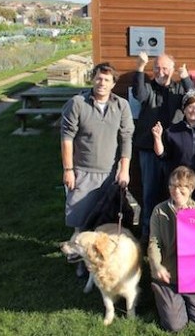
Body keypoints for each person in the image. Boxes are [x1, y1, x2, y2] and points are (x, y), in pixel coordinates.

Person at [61, 62, 134, 276]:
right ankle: (79, 261)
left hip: (110, 174)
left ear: (113, 84)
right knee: (80, 220)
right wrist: (68, 169)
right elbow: (66, 138)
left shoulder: (121, 106)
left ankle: (99, 261)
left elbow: (126, 138)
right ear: (93, 79)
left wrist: (124, 168)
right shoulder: (77, 103)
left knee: (104, 221)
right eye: (99, 78)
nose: (102, 83)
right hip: (82, 172)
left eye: (107, 80)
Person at [132, 51, 194, 242]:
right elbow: (139, 94)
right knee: (149, 192)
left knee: (175, 192)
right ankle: (147, 233)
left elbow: (194, 97)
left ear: (173, 70)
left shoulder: (178, 90)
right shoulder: (148, 88)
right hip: (149, 149)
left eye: (165, 68)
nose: (161, 71)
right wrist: (140, 67)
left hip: (173, 151)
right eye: (157, 68)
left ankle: (174, 234)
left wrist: (185, 77)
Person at [148, 166, 195, 332]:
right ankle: (161, 293)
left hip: (193, 276)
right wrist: (157, 266)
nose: (176, 190)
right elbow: (154, 243)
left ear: (191, 188)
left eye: (181, 186)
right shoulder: (159, 211)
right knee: (175, 326)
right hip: (169, 275)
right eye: (172, 185)